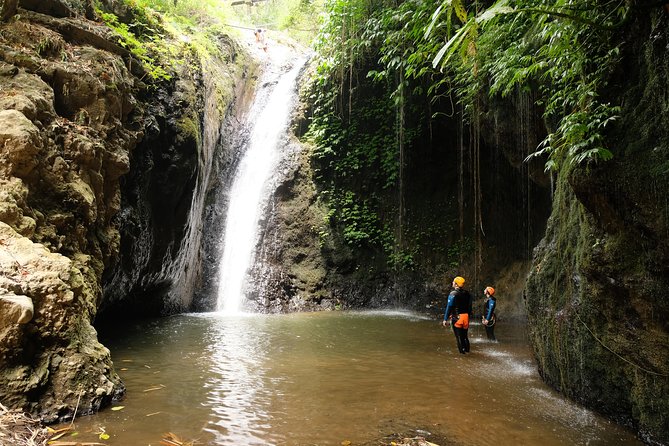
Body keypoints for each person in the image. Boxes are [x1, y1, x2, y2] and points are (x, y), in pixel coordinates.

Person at [442, 276, 473, 354]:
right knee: (465, 336)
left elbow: (449, 307)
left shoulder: (453, 294)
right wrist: (468, 316)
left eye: (453, 282)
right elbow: (469, 307)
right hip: (466, 317)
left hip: (457, 318)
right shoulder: (467, 293)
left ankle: (463, 356)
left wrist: (445, 319)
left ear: (456, 284)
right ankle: (468, 352)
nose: (452, 283)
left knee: (459, 337)